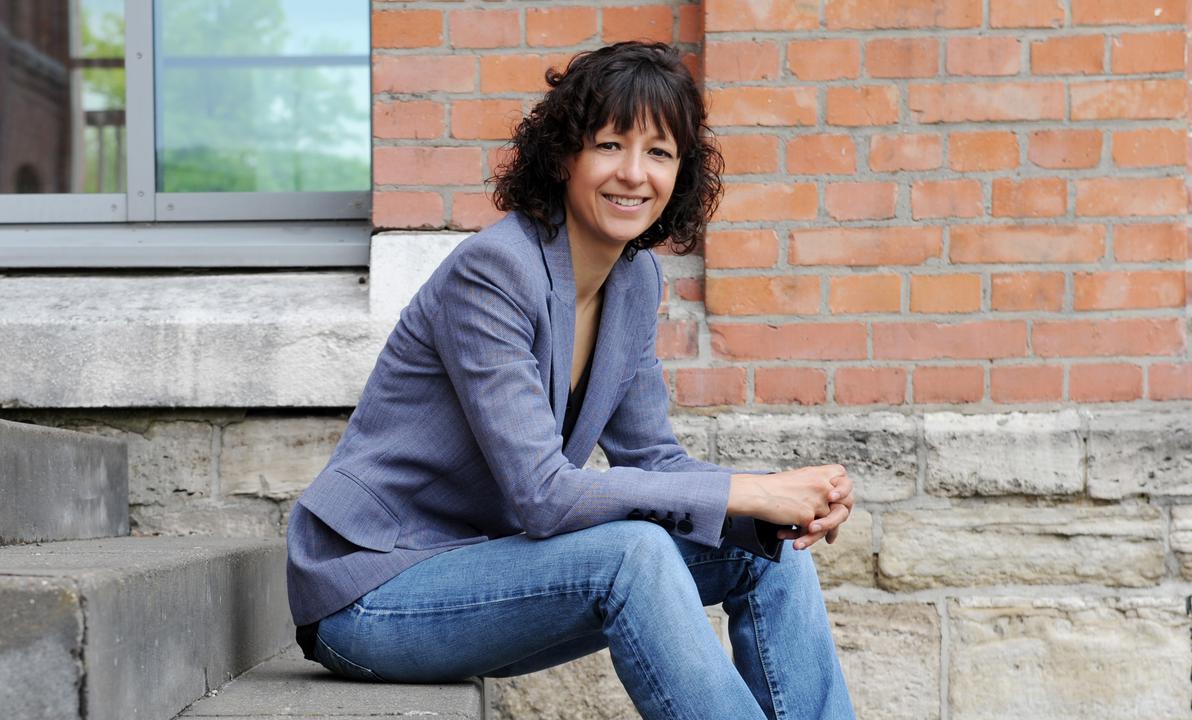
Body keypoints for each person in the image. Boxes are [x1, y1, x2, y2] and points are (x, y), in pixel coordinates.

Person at [286, 41, 858, 719]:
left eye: (659, 153)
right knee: (632, 554)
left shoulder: (633, 281)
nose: (634, 174)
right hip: (372, 592)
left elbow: (656, 460)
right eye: (611, 144)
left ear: (681, 176)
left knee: (769, 553)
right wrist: (750, 489)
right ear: (564, 156)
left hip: (486, 571)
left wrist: (776, 507)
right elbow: (543, 497)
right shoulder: (495, 273)